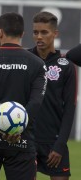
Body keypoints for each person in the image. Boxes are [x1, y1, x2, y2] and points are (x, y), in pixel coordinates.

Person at [0, 12, 47, 180]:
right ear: (22, 34)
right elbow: (35, 102)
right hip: (22, 140)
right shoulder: (37, 64)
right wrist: (16, 130)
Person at [28, 11, 76, 180]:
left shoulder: (66, 66)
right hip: (27, 140)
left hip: (54, 141)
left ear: (55, 34)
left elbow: (69, 109)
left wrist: (60, 145)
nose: (39, 37)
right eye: (35, 32)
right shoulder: (25, 60)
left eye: (44, 32)